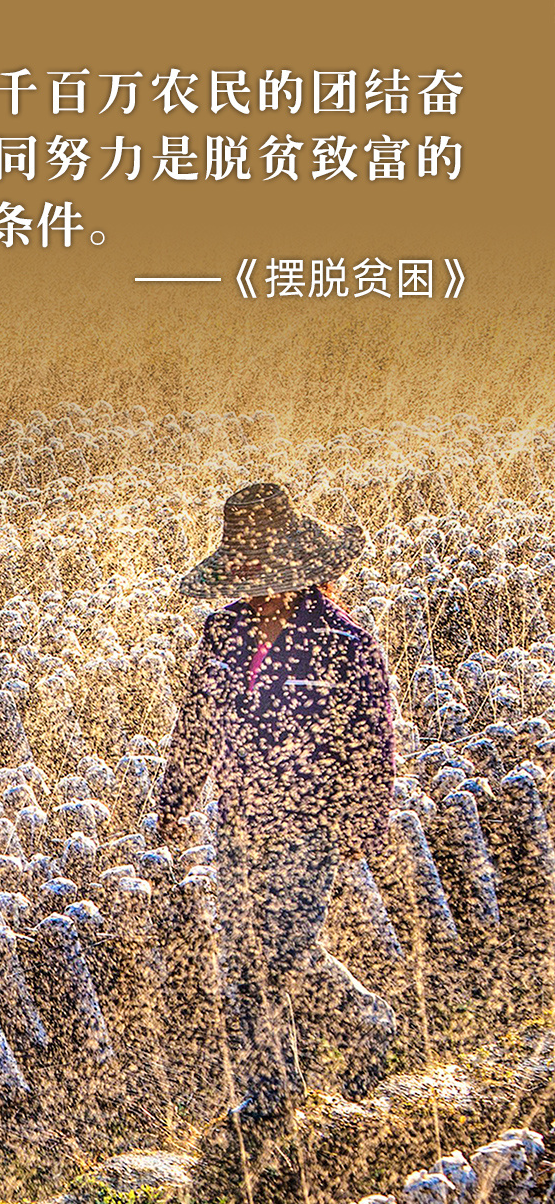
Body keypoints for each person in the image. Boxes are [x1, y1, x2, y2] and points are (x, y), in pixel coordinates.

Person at [153, 481, 397, 1125]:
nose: (252, 572)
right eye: (244, 560)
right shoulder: (225, 631)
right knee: (244, 950)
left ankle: (368, 1022)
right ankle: (272, 1088)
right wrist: (177, 797)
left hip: (310, 819)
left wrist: (360, 822)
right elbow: (200, 720)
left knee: (287, 945)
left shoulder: (343, 640)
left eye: (262, 556)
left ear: (295, 555)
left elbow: (370, 737)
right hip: (236, 816)